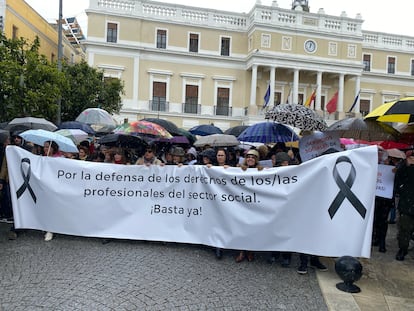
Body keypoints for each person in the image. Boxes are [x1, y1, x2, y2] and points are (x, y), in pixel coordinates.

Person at [235, 149, 263, 263]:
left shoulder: (261, 170)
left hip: (255, 204)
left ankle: (250, 250)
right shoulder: (239, 169)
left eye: (253, 157)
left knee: (253, 227)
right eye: (248, 157)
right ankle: (241, 251)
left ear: (256, 159)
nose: (250, 159)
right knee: (241, 226)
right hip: (242, 203)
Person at [394, 149, 414, 261]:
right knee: (404, 230)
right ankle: (403, 249)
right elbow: (398, 179)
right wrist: (406, 165)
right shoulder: (405, 167)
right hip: (407, 204)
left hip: (408, 202)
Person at [43, 140, 64, 241]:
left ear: (53, 148)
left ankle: (50, 230)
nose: (45, 149)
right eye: (44, 147)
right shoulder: (42, 158)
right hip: (44, 186)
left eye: (48, 147)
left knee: (53, 208)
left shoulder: (60, 159)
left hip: (55, 187)